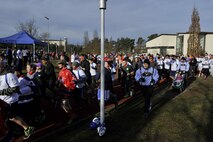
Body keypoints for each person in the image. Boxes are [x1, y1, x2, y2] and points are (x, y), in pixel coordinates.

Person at [0, 61, 34, 139]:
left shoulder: (9, 75)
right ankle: (10, 131)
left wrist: (1, 92)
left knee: (12, 117)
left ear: (2, 67)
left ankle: (27, 128)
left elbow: (15, 89)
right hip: (2, 101)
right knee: (6, 118)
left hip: (10, 101)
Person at [57, 59, 77, 124]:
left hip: (67, 90)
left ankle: (72, 117)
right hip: (62, 90)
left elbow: (75, 80)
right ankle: (73, 116)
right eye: (58, 64)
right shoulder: (60, 72)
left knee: (64, 105)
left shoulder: (68, 72)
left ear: (63, 65)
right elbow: (60, 81)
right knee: (65, 105)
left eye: (59, 64)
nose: (58, 65)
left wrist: (67, 85)